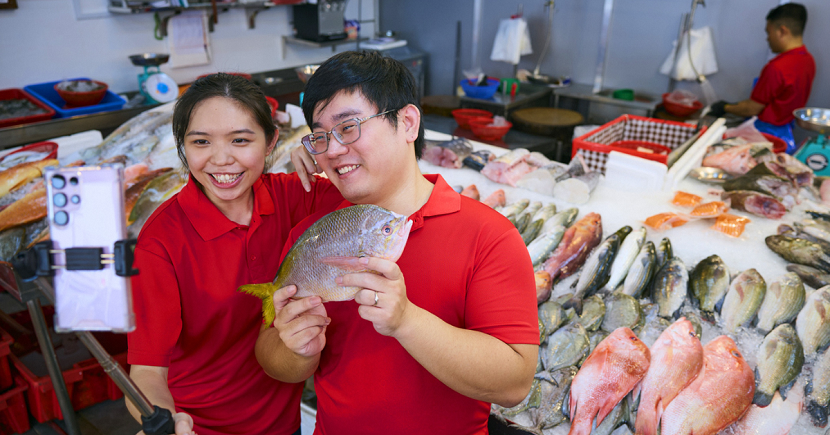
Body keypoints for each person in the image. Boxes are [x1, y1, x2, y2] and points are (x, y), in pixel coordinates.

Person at [256, 50, 539, 434]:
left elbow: (514, 383)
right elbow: (272, 358)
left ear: (407, 123)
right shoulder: (316, 234)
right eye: (321, 136)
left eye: (349, 126)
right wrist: (296, 349)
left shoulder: (489, 236)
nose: (334, 149)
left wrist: (406, 320)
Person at [126, 73, 343, 435]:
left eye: (240, 140)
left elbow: (381, 199)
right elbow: (147, 373)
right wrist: (164, 423)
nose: (221, 159)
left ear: (271, 141)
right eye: (201, 142)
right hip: (197, 427)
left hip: (283, 424)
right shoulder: (161, 242)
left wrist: (329, 154)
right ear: (182, 146)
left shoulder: (298, 196)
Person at [708, 3, 815, 154]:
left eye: (768, 32)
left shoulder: (777, 67)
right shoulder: (808, 61)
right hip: (786, 135)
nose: (767, 38)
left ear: (782, 31)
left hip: (763, 137)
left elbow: (751, 108)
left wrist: (724, 107)